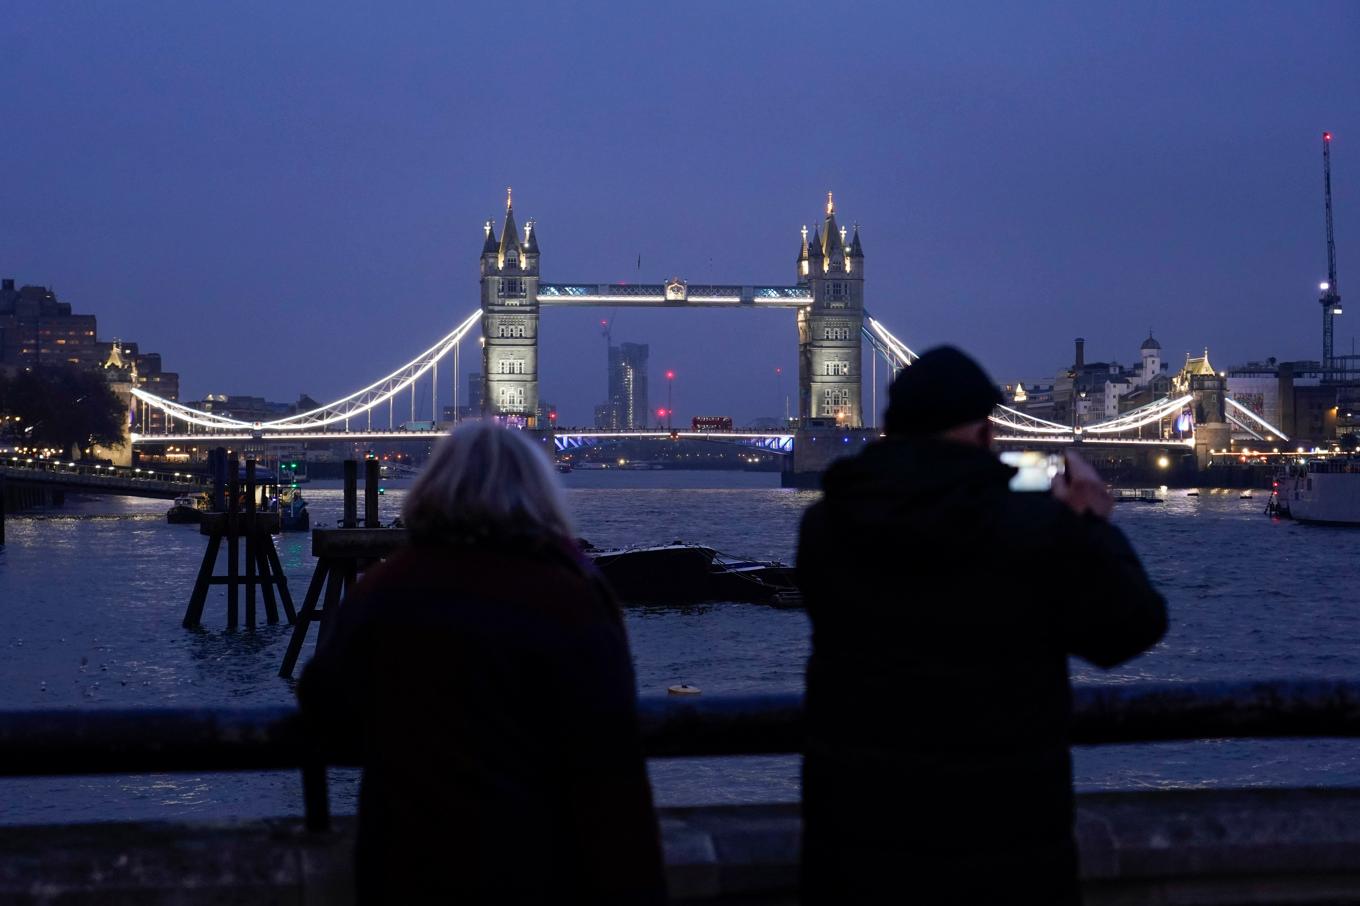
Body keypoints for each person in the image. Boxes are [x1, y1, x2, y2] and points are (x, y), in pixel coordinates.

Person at [797, 346, 1167, 904]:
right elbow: (1131, 627)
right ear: (982, 432)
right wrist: (1089, 523)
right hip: (1003, 850)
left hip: (855, 845)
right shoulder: (1030, 527)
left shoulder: (825, 526)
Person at [298, 422, 666, 905]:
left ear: (434, 490)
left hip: (409, 869)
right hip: (541, 867)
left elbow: (324, 708)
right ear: (539, 495)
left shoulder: (383, 589)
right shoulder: (573, 595)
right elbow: (610, 760)